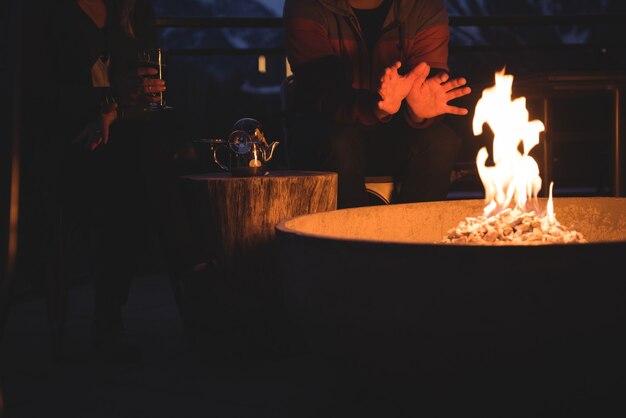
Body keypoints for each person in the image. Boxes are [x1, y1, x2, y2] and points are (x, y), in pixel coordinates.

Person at [20, 0, 214, 362]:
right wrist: (105, 104)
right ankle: (196, 273)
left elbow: (142, 84)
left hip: (123, 135)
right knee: (140, 162)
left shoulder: (131, 9)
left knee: (141, 159)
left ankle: (112, 319)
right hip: (67, 142)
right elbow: (35, 96)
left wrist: (114, 112)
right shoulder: (43, 11)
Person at [283, 0, 472, 208]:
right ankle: (351, 237)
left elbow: (429, 84)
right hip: (329, 129)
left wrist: (419, 112)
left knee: (441, 142)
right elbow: (322, 93)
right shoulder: (308, 6)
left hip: (396, 132)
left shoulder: (422, 6)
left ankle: (415, 234)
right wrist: (376, 107)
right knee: (338, 141)